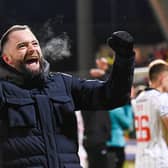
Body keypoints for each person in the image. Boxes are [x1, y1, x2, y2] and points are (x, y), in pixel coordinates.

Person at [0, 25, 135, 168]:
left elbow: (113, 96)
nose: (32, 49)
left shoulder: (64, 84)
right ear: (7, 59)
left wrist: (124, 59)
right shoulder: (3, 91)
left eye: (35, 43)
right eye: (22, 46)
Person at [132, 59, 168, 168]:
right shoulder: (162, 98)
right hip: (159, 160)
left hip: (141, 161)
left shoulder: (137, 100)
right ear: (163, 78)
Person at [82, 56, 111, 168]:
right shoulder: (89, 97)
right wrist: (103, 75)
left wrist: (104, 73)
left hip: (97, 137)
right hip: (95, 138)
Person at [106, 104, 133, 168]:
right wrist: (128, 107)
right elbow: (128, 124)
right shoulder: (116, 109)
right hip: (117, 143)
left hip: (106, 142)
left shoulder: (104, 108)